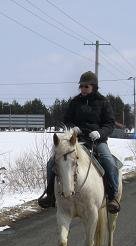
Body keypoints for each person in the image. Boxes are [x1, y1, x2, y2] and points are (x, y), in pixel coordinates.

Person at [38, 71, 120, 213]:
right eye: (81, 86)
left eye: (86, 86)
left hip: (96, 141)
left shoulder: (103, 102)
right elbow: (67, 120)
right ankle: (50, 195)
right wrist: (72, 128)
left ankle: (112, 197)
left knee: (109, 161)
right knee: (51, 162)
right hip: (76, 141)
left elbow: (110, 124)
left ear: (93, 86)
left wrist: (100, 133)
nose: (83, 89)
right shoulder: (75, 102)